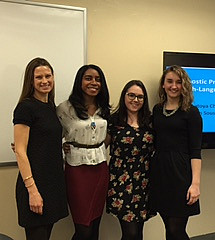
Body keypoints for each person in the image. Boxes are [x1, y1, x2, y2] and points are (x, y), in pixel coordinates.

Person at [13, 57, 69, 240]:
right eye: (39, 77)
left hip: (52, 183)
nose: (45, 81)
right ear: (31, 80)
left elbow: (43, 138)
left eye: (48, 76)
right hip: (34, 185)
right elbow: (20, 151)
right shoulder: (25, 108)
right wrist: (33, 191)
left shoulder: (50, 107)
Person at [56, 64, 111, 240]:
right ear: (80, 81)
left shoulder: (105, 108)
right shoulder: (64, 108)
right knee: (83, 229)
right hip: (77, 171)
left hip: (101, 170)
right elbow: (49, 134)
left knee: (95, 225)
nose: (93, 82)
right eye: (88, 78)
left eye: (97, 79)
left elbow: (108, 136)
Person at [149, 65, 203, 240]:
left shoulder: (191, 112)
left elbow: (196, 151)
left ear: (184, 86)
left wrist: (195, 184)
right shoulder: (157, 110)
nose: (174, 86)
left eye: (178, 82)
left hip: (180, 174)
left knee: (176, 230)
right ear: (163, 85)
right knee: (167, 227)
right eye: (169, 81)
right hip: (160, 173)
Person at [105, 80, 155, 240]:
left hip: (145, 181)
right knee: (130, 233)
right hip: (121, 182)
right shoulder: (113, 121)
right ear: (124, 96)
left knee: (138, 231)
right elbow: (99, 147)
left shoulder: (150, 121)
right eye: (131, 95)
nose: (135, 100)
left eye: (140, 97)